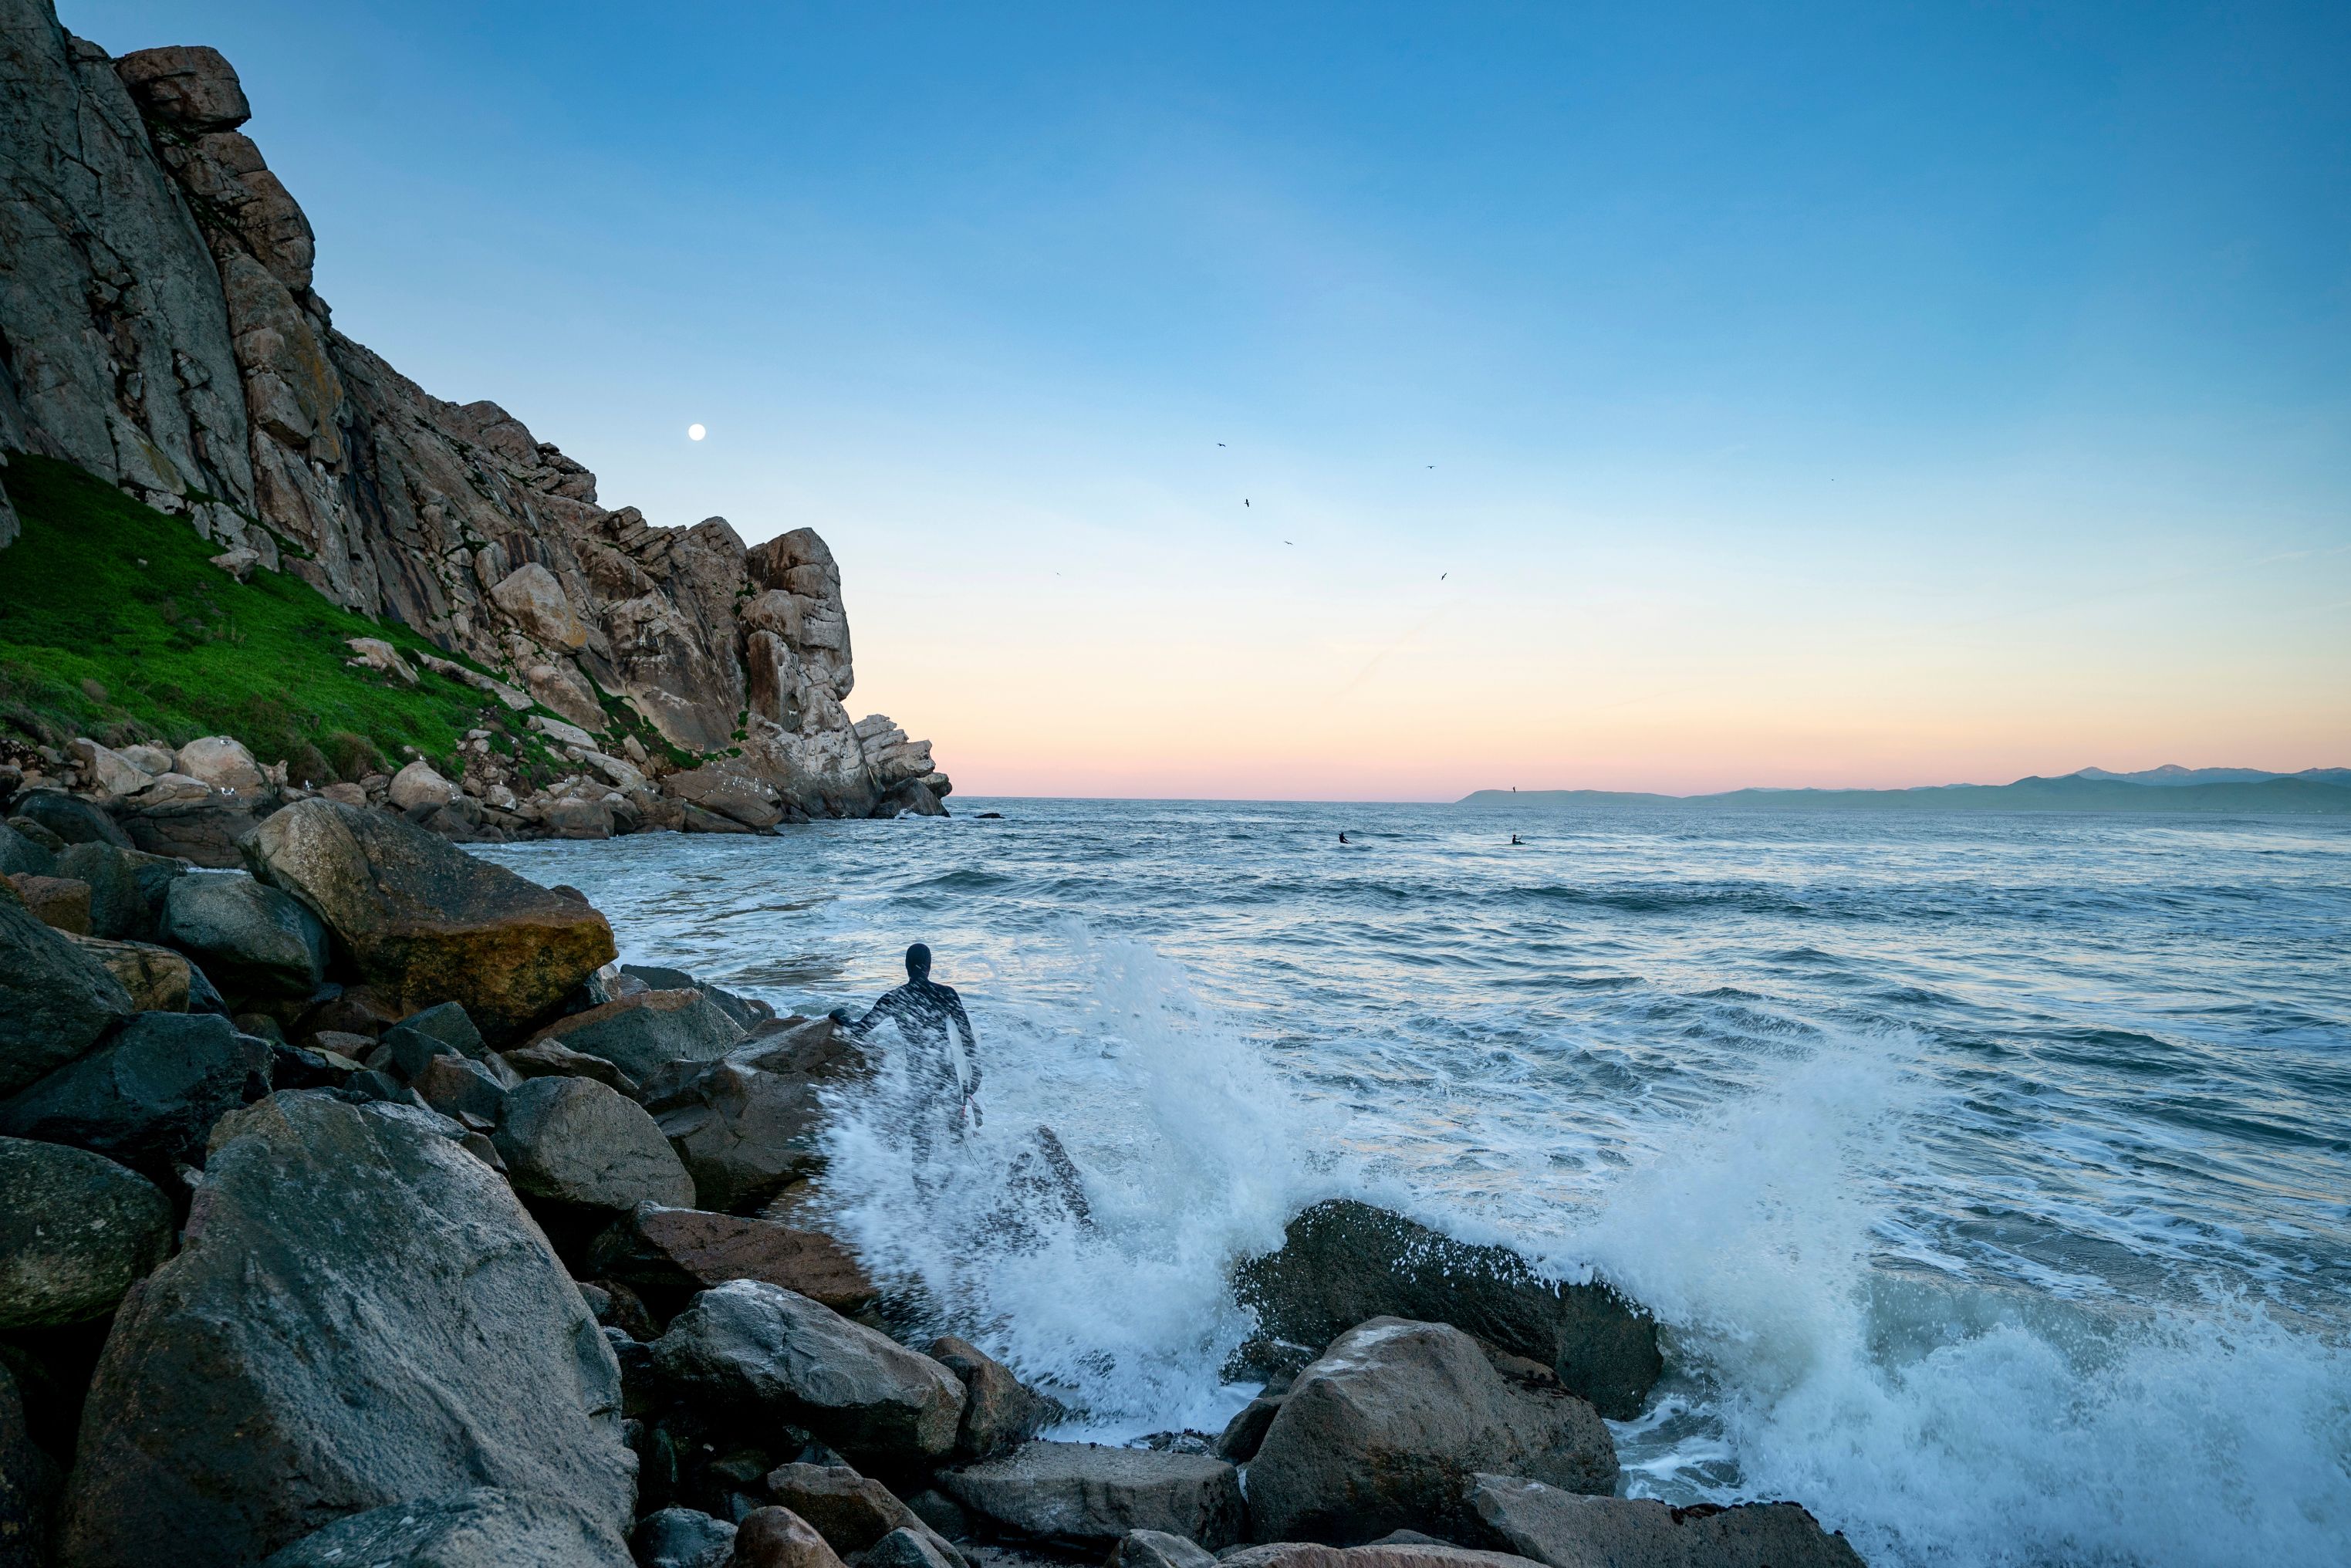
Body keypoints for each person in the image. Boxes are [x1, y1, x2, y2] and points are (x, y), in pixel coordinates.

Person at [829, 944, 982, 1169]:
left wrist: (842, 1017)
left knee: (921, 1132)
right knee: (954, 1128)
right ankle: (954, 1177)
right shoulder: (947, 994)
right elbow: (967, 1036)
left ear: (907, 967)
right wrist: (976, 1073)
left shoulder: (894, 998)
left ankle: (920, 1183)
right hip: (948, 1071)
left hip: (919, 1073)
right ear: (929, 966)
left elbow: (859, 1031)